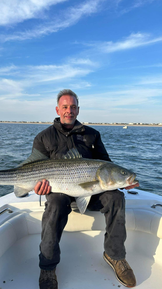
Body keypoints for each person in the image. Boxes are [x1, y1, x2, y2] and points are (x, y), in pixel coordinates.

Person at [33, 89, 137, 289]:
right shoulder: (44, 137)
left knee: (116, 197)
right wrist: (38, 186)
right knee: (54, 203)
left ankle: (115, 256)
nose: (69, 111)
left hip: (92, 189)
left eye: (73, 107)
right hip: (59, 191)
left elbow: (106, 164)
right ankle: (47, 267)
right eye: (65, 107)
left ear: (78, 110)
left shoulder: (92, 134)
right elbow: (34, 167)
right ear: (58, 109)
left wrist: (123, 179)